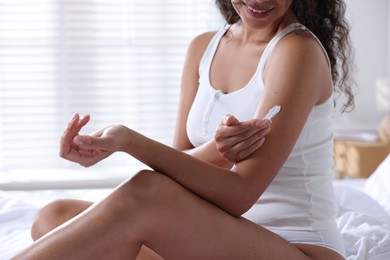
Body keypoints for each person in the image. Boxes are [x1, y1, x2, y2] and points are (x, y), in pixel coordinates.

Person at [14, 0, 354, 259]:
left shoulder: (297, 51)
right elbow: (179, 171)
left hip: (294, 245)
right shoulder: (203, 47)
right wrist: (217, 151)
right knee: (52, 217)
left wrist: (129, 141)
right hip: (213, 238)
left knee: (144, 193)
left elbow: (240, 195)